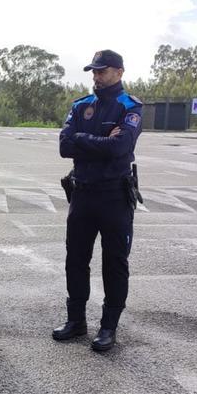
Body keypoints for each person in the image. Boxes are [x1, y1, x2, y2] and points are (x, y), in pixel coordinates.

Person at [53, 49, 143, 352]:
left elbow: (121, 147)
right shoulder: (82, 106)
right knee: (75, 258)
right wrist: (95, 142)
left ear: (118, 72)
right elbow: (65, 146)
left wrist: (82, 140)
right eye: (94, 71)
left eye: (102, 72)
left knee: (114, 263)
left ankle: (108, 327)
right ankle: (76, 320)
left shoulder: (129, 107)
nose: (96, 77)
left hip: (114, 196)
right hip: (83, 194)